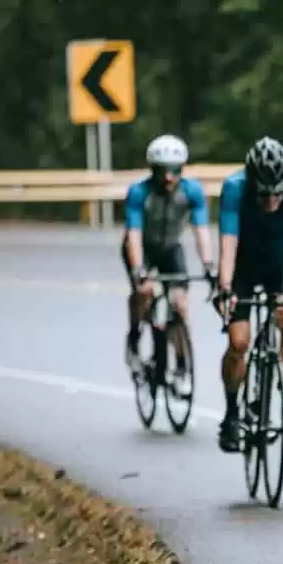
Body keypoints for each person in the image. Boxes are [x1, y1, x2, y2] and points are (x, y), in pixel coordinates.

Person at [213, 136, 283, 452]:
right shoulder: (234, 189)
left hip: (282, 263)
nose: (270, 203)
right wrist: (225, 288)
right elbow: (227, 243)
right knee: (238, 341)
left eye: (276, 195)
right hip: (243, 264)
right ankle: (231, 415)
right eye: (263, 195)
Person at [121, 134, 214, 391]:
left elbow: (202, 230)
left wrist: (208, 265)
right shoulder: (139, 193)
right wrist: (139, 268)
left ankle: (182, 362)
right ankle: (135, 333)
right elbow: (134, 235)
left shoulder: (192, 191)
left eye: (174, 171)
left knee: (180, 304)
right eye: (163, 171)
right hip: (143, 249)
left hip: (171, 248)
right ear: (153, 170)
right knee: (145, 291)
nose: (169, 177)